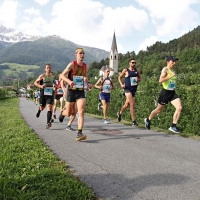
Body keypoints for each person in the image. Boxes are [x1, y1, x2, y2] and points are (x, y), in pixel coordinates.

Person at [144, 56, 182, 133]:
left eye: (175, 61)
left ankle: (173, 126)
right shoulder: (165, 69)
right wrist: (171, 76)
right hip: (165, 93)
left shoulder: (172, 70)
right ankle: (148, 120)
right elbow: (160, 80)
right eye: (173, 61)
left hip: (172, 92)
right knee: (158, 110)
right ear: (168, 61)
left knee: (179, 108)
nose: (174, 63)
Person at [59, 47, 89, 141]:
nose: (82, 55)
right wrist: (69, 81)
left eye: (83, 53)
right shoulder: (72, 64)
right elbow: (61, 75)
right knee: (69, 113)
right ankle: (62, 113)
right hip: (71, 91)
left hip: (80, 91)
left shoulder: (85, 66)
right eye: (80, 53)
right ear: (76, 55)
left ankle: (79, 133)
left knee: (81, 111)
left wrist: (87, 83)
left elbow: (85, 78)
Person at [117, 58, 141, 126]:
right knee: (132, 103)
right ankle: (134, 121)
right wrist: (121, 84)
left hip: (133, 90)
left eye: (135, 63)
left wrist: (138, 79)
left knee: (126, 104)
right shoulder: (126, 70)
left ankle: (120, 113)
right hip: (127, 89)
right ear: (129, 63)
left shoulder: (137, 70)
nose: (134, 64)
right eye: (132, 62)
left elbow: (140, 78)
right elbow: (119, 77)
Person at [34, 64, 55, 129]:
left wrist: (55, 86)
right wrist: (41, 86)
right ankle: (39, 111)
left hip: (50, 93)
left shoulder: (52, 76)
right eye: (47, 68)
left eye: (50, 68)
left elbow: (54, 83)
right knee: (42, 108)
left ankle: (48, 123)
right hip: (43, 93)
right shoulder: (42, 76)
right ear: (45, 69)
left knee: (49, 107)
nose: (49, 69)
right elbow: (35, 83)